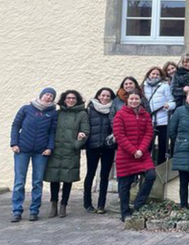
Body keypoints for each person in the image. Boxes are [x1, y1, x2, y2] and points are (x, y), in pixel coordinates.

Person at [9, 88, 58, 222]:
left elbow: (52, 132)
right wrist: (14, 143)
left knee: (37, 182)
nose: (48, 97)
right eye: (47, 94)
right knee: (19, 181)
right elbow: (15, 126)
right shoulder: (26, 109)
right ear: (41, 95)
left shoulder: (52, 113)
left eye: (51, 96)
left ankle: (34, 210)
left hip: (41, 152)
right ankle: (17, 211)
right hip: (22, 150)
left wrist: (49, 147)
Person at [44, 90, 90, 218]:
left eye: (73, 98)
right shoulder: (57, 113)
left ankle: (63, 205)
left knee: (67, 178)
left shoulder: (82, 114)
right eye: (68, 98)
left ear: (77, 100)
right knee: (54, 178)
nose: (70, 100)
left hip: (71, 151)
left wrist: (77, 144)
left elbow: (85, 131)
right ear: (64, 100)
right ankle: (54, 205)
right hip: (56, 150)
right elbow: (49, 130)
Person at [113, 90, 156, 222]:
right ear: (127, 100)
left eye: (136, 99)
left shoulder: (145, 115)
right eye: (131, 99)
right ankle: (125, 212)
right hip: (125, 154)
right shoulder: (120, 115)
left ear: (140, 100)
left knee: (151, 175)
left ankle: (138, 204)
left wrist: (141, 150)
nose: (134, 101)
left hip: (142, 154)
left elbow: (149, 133)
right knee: (124, 185)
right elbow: (119, 135)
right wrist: (133, 151)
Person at [83, 87, 116, 214]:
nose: (105, 98)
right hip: (93, 146)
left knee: (104, 176)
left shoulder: (113, 109)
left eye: (108, 96)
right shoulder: (90, 109)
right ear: (98, 96)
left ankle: (101, 204)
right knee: (90, 174)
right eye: (103, 95)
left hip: (108, 147)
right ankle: (87, 203)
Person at [141, 66, 175, 165]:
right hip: (148, 121)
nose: (155, 76)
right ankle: (146, 167)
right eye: (153, 73)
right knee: (147, 146)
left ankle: (161, 167)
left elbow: (173, 102)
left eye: (157, 74)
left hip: (163, 121)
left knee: (163, 146)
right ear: (149, 75)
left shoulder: (164, 86)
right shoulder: (143, 86)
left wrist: (168, 105)